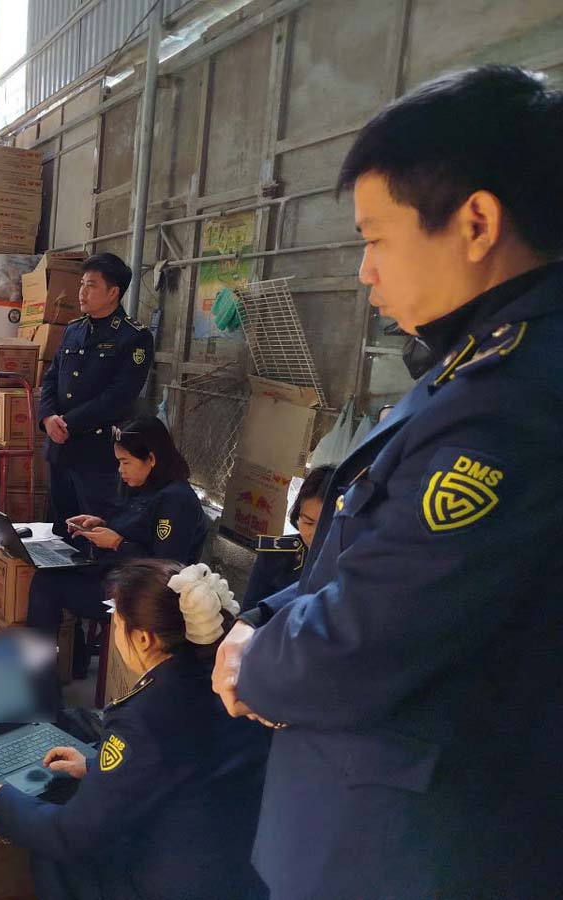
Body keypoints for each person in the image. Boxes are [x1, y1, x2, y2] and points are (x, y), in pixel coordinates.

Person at [212, 65, 563, 898]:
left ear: (476, 221)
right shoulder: (475, 365)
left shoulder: (511, 403)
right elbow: (371, 554)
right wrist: (261, 617)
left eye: (375, 237)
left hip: (413, 853)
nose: (365, 272)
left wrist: (253, 661)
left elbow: (366, 637)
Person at [0, 560, 270, 900]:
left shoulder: (143, 716)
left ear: (143, 638)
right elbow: (183, 767)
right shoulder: (232, 684)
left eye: (115, 621)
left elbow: (70, 836)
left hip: (172, 883)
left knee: (49, 844)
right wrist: (94, 767)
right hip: (241, 874)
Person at [24, 416, 206, 649]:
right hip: (116, 574)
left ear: (151, 459)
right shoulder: (146, 486)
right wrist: (102, 522)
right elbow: (138, 525)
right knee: (49, 570)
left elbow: (166, 568)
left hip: (142, 595)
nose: (120, 470)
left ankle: (41, 679)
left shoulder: (176, 500)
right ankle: (68, 662)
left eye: (126, 462)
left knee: (47, 586)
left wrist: (117, 543)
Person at [38, 252, 155, 535]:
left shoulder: (133, 337)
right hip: (60, 449)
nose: (82, 292)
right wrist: (47, 417)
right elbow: (52, 377)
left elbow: (119, 397)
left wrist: (68, 423)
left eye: (91, 285)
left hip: (96, 455)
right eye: (81, 284)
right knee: (62, 531)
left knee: (93, 532)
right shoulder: (74, 330)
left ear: (113, 292)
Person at [239, 465, 332, 613]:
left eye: (327, 525)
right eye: (308, 522)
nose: (316, 534)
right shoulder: (274, 555)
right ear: (298, 515)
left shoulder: (350, 564)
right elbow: (248, 616)